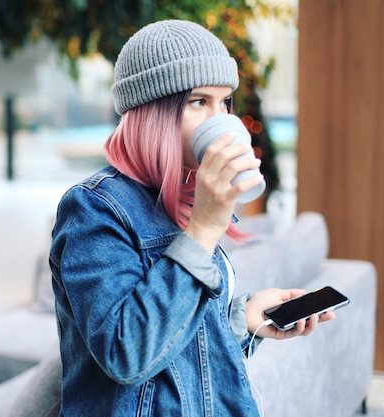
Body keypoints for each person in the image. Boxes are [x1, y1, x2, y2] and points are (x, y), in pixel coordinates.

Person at [49, 19, 334, 416]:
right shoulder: (94, 209)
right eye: (199, 102)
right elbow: (126, 355)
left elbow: (180, 355)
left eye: (225, 103)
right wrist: (203, 227)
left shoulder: (183, 200)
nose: (221, 121)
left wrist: (243, 319)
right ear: (151, 113)